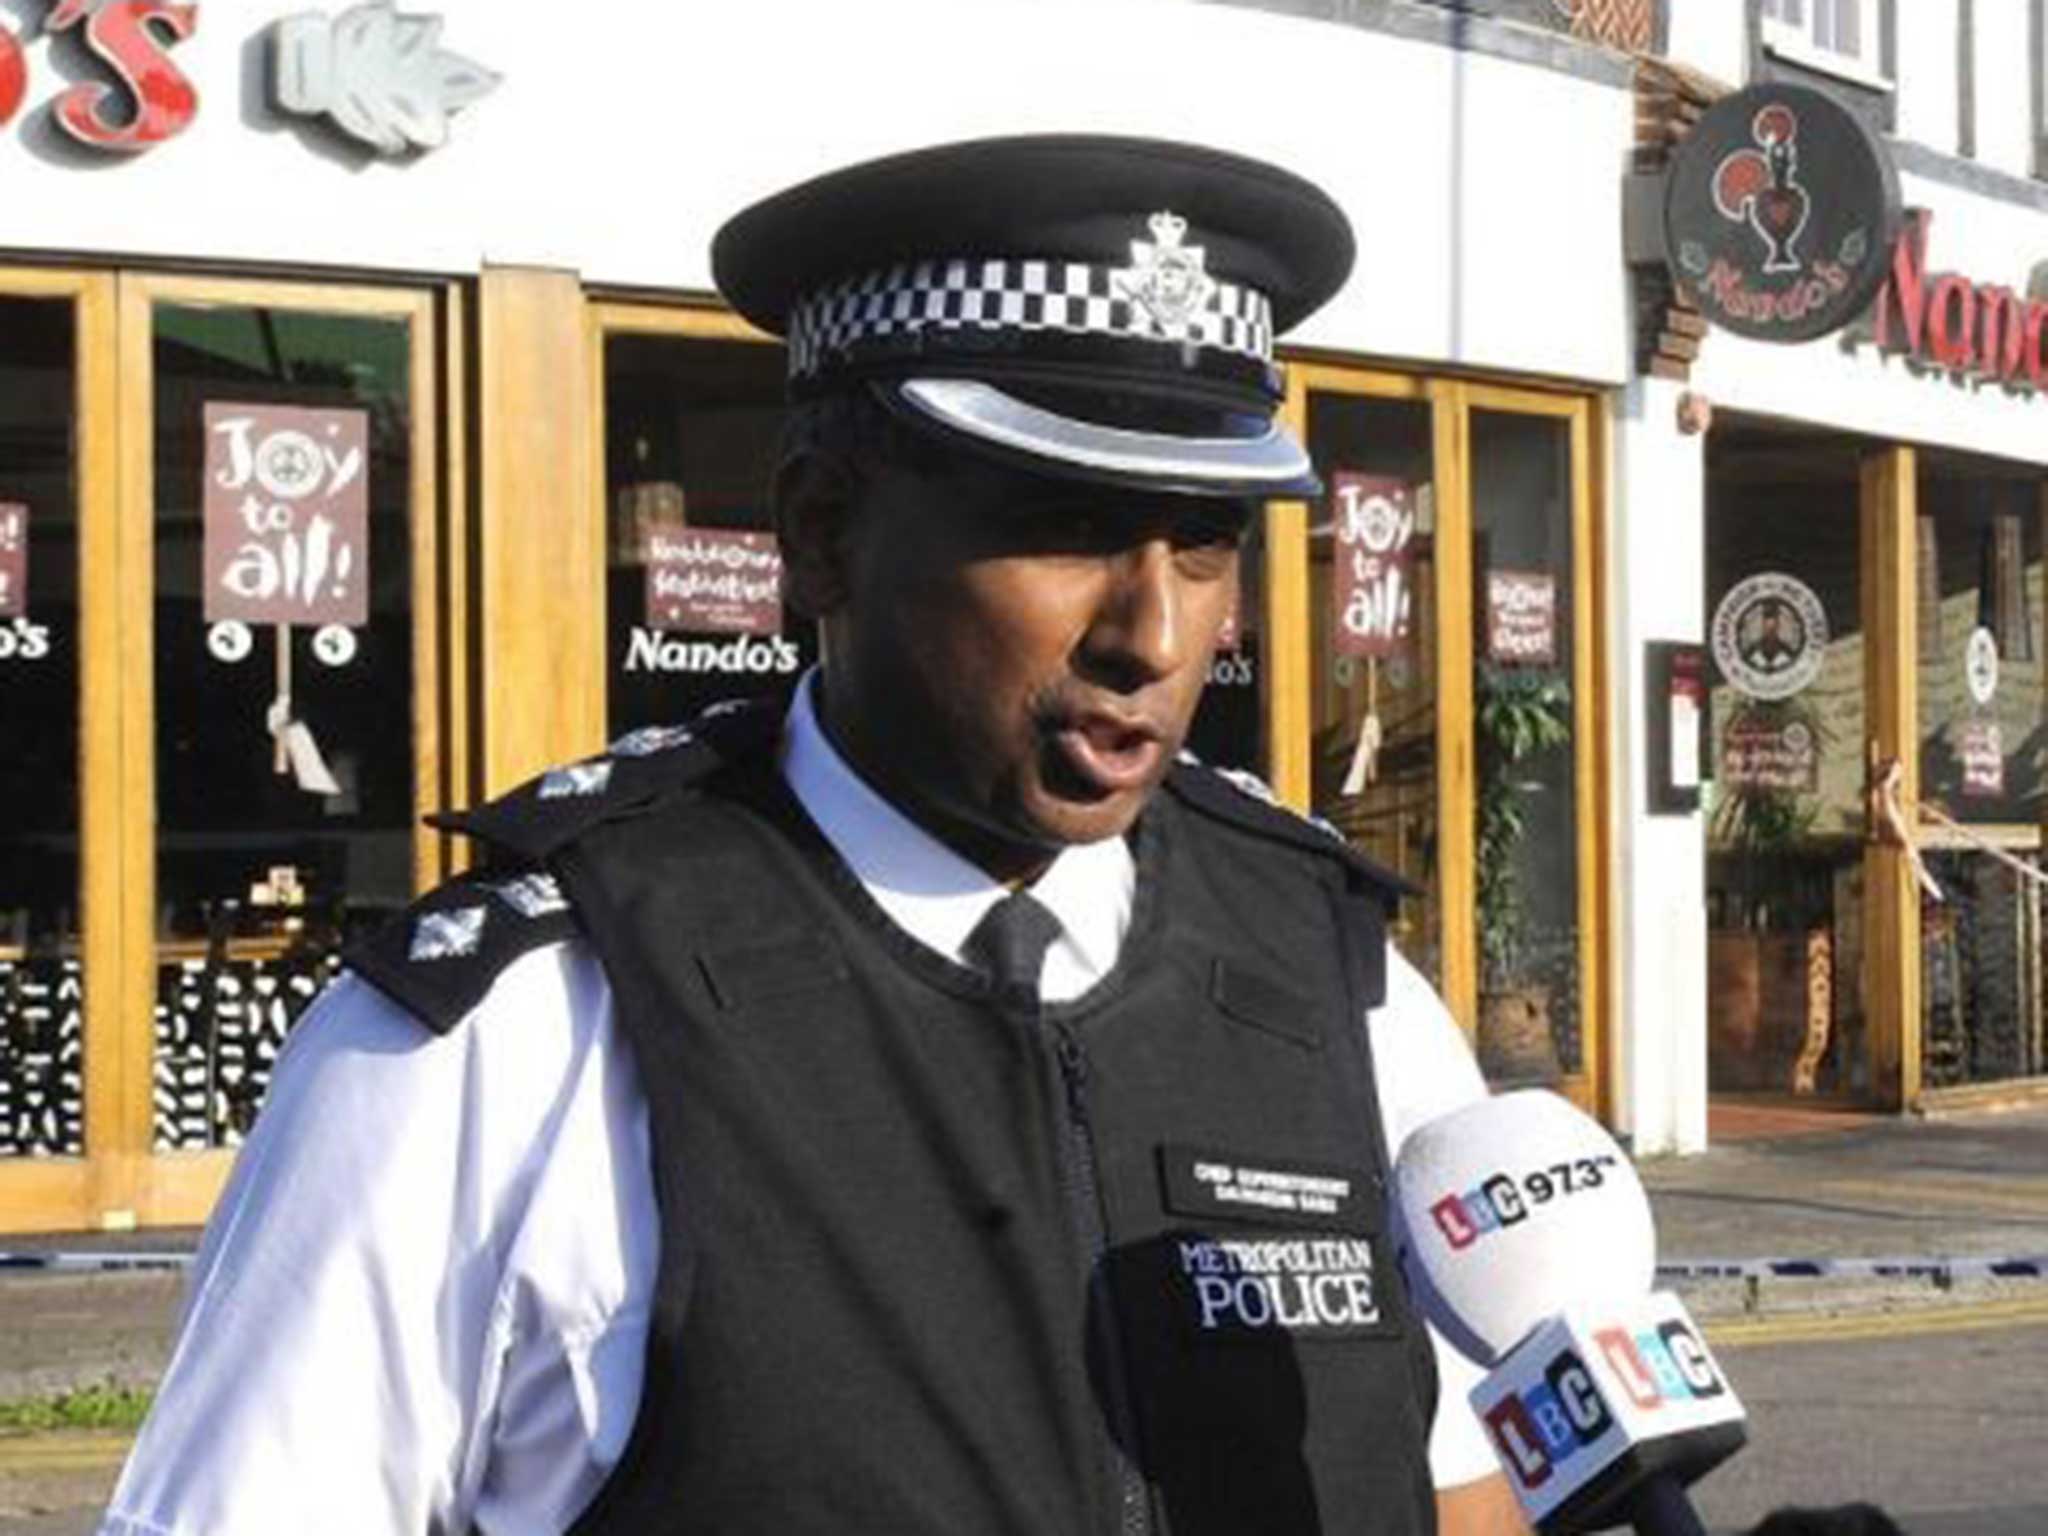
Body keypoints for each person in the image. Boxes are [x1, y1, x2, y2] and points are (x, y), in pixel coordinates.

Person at [104, 135, 1884, 1536]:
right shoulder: (517, 1031)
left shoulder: (1336, 986)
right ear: (819, 531)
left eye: (1204, 545)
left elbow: (1447, 1493)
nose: (1159, 633)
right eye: (1067, 529)